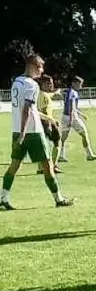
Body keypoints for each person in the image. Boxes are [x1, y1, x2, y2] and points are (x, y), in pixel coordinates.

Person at [1, 53, 74, 210]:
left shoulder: (16, 82)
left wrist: (47, 119)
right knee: (48, 165)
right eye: (40, 67)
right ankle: (59, 199)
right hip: (32, 132)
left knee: (14, 165)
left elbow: (29, 109)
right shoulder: (31, 84)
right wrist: (23, 133)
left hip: (16, 130)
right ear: (33, 66)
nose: (42, 71)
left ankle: (3, 198)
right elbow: (27, 109)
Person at [60, 76, 96, 161]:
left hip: (65, 116)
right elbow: (71, 106)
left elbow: (70, 106)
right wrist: (71, 119)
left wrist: (81, 114)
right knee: (84, 133)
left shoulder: (67, 91)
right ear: (74, 83)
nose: (80, 86)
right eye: (79, 84)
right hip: (72, 117)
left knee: (63, 137)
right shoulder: (73, 92)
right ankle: (89, 154)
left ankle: (61, 155)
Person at [36, 75, 63, 173]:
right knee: (57, 142)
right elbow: (43, 110)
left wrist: (56, 92)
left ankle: (40, 168)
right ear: (43, 84)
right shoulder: (43, 95)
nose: (51, 85)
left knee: (43, 144)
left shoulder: (42, 94)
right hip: (46, 122)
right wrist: (51, 121)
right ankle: (54, 166)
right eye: (49, 83)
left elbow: (50, 95)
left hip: (44, 121)